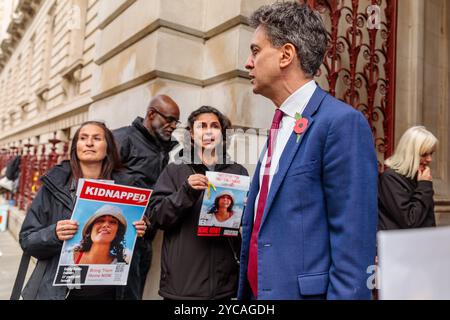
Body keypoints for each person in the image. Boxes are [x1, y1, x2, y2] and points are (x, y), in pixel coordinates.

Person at [238, 2, 378, 300]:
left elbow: (354, 245)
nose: (248, 63)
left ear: (286, 54)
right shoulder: (280, 122)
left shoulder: (341, 123)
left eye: (255, 51)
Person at [19, 121, 147, 300]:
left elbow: (133, 247)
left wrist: (139, 229)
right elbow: (27, 240)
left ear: (107, 147)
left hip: (111, 292)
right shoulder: (54, 185)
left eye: (97, 138)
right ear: (75, 147)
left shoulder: (128, 187)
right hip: (59, 293)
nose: (89, 143)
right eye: (83, 138)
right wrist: (54, 234)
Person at [149, 106, 249, 300]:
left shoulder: (238, 171)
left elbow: (247, 222)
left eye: (215, 126)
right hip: (183, 284)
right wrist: (186, 191)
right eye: (202, 126)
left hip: (225, 284)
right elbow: (157, 217)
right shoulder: (175, 170)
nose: (209, 131)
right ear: (192, 135)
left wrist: (245, 209)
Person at [113, 94, 180, 298]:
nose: (173, 126)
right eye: (169, 119)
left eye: (176, 122)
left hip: (144, 237)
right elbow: (102, 183)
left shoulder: (163, 148)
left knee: (135, 293)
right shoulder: (122, 138)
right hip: (118, 236)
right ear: (151, 114)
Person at [378, 126, 438, 230]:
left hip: (422, 242)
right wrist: (424, 186)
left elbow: (428, 220)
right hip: (399, 244)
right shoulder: (390, 178)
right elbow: (410, 221)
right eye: (424, 154)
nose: (429, 159)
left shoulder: (419, 177)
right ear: (409, 153)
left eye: (431, 153)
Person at [59, 205, 131, 265]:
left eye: (112, 222)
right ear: (90, 229)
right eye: (100, 220)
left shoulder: (123, 262)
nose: (105, 225)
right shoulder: (66, 258)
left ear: (117, 233)